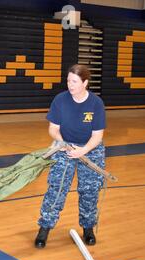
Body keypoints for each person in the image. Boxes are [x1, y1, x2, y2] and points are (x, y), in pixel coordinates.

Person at [35, 64, 106, 249]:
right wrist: (64, 144)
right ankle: (44, 228)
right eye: (68, 80)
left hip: (91, 150)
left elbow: (97, 136)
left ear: (85, 83)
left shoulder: (96, 103)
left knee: (90, 191)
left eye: (74, 81)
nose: (70, 84)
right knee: (57, 189)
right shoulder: (60, 100)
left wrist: (82, 151)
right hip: (64, 147)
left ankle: (88, 228)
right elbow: (53, 129)